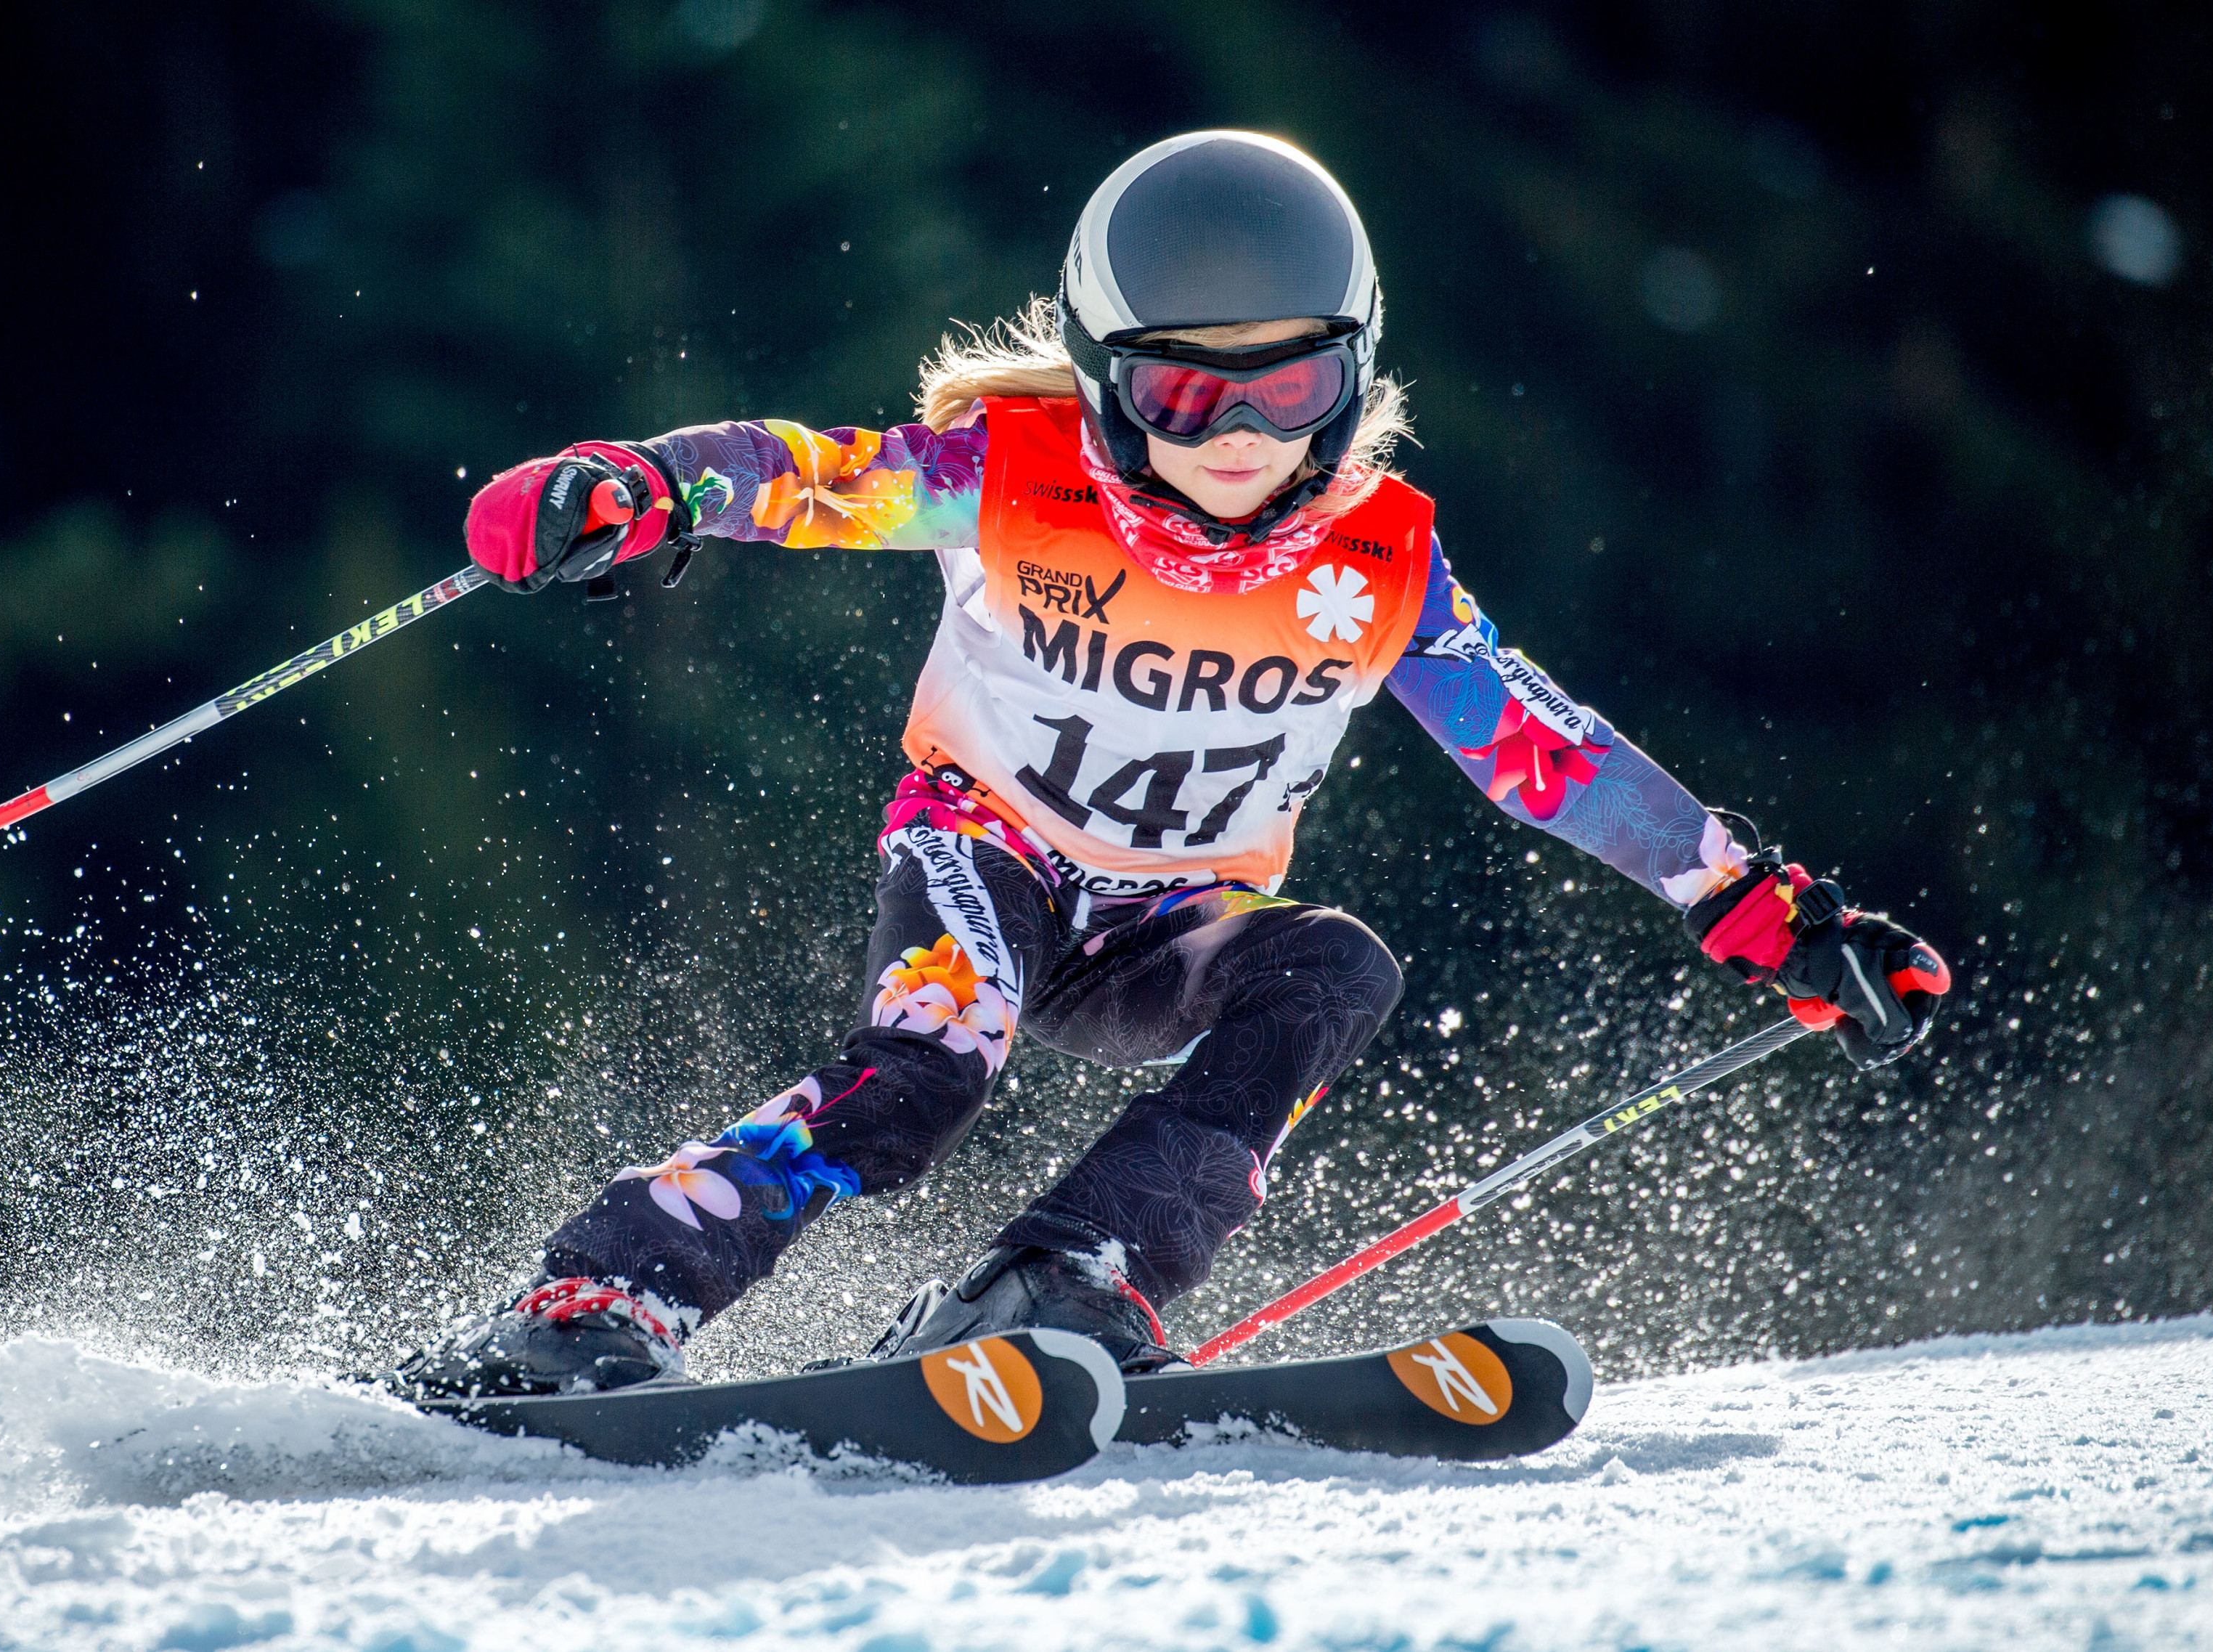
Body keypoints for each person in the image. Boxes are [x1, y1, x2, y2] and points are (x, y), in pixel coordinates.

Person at [392, 131, 1949, 1399]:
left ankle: (1074, 1268)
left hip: (1168, 924)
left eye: (1283, 388)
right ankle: (603, 1292)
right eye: (1184, 389)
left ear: (1346, 373)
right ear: (1101, 376)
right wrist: (642, 486)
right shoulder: (1011, 480)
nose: (1234, 433)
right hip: (986, 855)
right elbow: (803, 479)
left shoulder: (1375, 569)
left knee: (1334, 967)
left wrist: (1754, 902)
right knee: (925, 1071)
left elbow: (1543, 749)